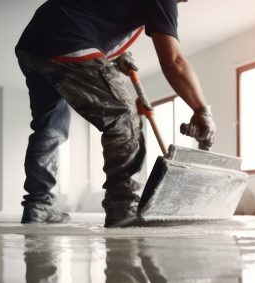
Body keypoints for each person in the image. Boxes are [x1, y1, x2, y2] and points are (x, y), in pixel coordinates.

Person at [15, 0, 216, 227]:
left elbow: (98, 11)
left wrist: (114, 54)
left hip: (33, 44)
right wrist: (201, 110)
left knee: (49, 128)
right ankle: (123, 208)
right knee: (123, 117)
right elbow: (174, 61)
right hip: (70, 37)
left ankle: (38, 206)